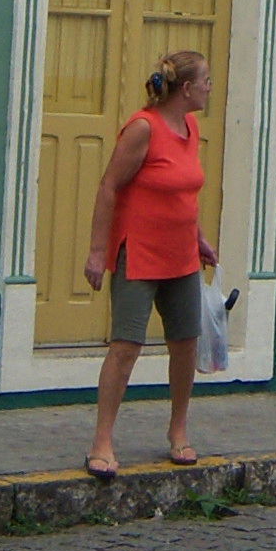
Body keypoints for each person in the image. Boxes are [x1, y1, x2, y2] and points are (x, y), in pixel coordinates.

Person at [83, 46, 216, 480]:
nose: (210, 89)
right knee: (126, 346)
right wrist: (98, 251)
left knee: (185, 342)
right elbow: (108, 187)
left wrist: (198, 240)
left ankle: (178, 430)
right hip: (138, 251)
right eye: (206, 82)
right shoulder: (143, 128)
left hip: (181, 255)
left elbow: (182, 191)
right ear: (186, 88)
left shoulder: (191, 126)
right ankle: (102, 440)